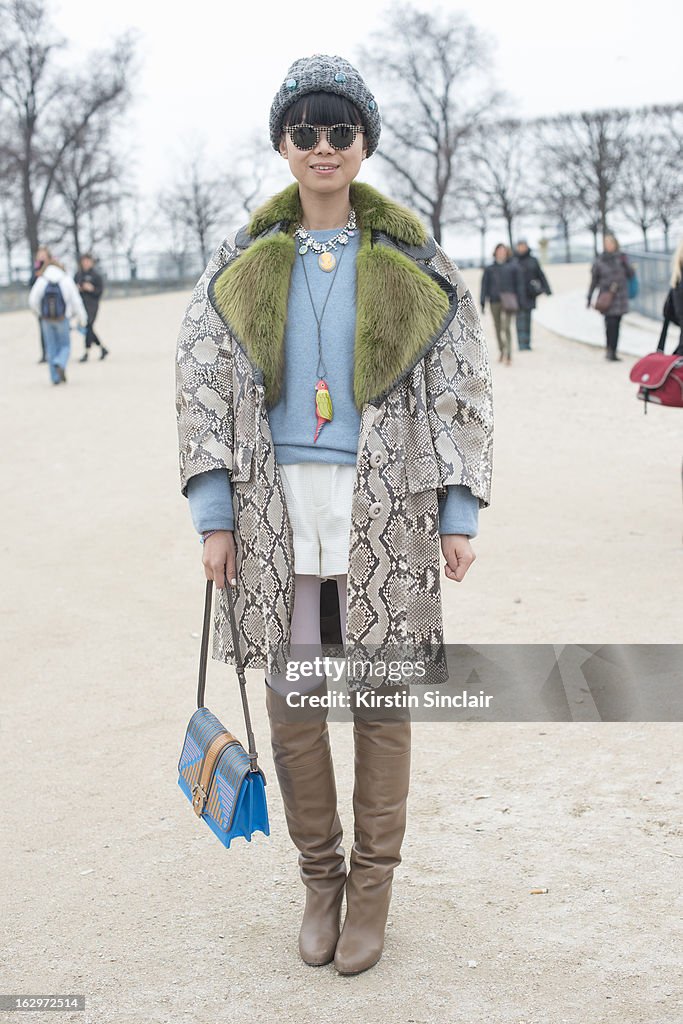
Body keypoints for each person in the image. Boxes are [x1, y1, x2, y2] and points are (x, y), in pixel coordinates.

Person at [175, 54, 494, 976]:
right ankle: (320, 880)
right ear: (282, 144)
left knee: (381, 703)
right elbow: (200, 392)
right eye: (305, 130)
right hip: (280, 514)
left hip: (383, 509)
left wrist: (457, 510)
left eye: (339, 130)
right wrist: (213, 512)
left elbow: (459, 389)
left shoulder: (416, 263)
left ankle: (374, 888)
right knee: (295, 701)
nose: (322, 146)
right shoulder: (234, 270)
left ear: (363, 144)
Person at [28, 257, 88, 385]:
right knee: (65, 345)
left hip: (46, 319)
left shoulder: (42, 280)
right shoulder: (66, 279)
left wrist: (40, 313)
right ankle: (60, 362)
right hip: (62, 318)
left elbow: (32, 300)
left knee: (51, 347)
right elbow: (76, 301)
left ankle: (54, 377)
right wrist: (82, 319)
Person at [587, 233, 636, 361]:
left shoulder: (622, 258)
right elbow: (594, 280)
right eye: (606, 243)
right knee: (609, 323)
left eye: (611, 243)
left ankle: (613, 350)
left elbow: (631, 275)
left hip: (619, 296)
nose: (609, 246)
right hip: (606, 297)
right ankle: (609, 349)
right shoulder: (600, 260)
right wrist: (589, 296)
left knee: (616, 324)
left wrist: (627, 264)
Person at [480, 243, 524, 365]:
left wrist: (520, 301)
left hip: (509, 301)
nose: (501, 253)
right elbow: (484, 286)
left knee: (507, 327)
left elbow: (519, 285)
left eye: (503, 251)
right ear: (495, 252)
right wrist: (482, 302)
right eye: (499, 251)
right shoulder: (489, 269)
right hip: (494, 301)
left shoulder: (513, 267)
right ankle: (502, 351)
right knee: (498, 327)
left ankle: (509, 354)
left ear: (507, 252)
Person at [513, 239, 552, 350]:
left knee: (528, 318)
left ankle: (527, 343)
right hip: (517, 295)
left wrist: (547, 289)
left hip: (530, 294)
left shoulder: (533, 260)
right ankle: (521, 343)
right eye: (520, 246)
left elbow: (540, 275)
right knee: (519, 319)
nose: (522, 248)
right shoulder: (513, 261)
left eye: (523, 246)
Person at [74, 253, 108, 361]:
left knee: (88, 325)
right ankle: (102, 348)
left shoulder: (96, 276)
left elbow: (100, 291)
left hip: (92, 305)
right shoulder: (78, 275)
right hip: (81, 304)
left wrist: (92, 289)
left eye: (87, 261)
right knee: (87, 327)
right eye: (84, 261)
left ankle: (86, 352)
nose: (85, 263)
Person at [29, 245, 51, 364]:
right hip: (41, 305)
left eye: (43, 255)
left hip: (53, 302)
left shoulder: (52, 268)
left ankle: (53, 352)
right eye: (39, 255)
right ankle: (45, 354)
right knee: (43, 330)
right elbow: (30, 283)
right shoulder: (36, 268)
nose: (41, 257)